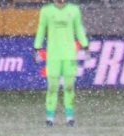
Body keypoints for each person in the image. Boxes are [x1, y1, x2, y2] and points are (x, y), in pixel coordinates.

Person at [33, 0, 89, 128]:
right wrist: (37, 47)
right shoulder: (46, 11)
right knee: (52, 87)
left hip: (69, 54)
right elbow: (41, 29)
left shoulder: (74, 10)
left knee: (69, 87)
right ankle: (49, 118)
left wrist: (85, 45)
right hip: (53, 55)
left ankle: (70, 117)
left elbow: (78, 28)